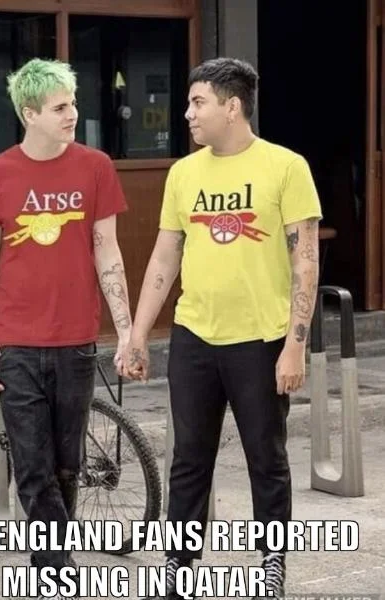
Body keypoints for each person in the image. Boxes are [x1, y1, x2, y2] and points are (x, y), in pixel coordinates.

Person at [122, 57, 322, 600]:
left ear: (232, 107)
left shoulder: (286, 167)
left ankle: (271, 563)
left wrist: (295, 345)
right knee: (188, 459)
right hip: (194, 337)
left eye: (198, 103)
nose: (188, 113)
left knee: (266, 458)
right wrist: (138, 333)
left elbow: (305, 261)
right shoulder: (183, 174)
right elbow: (165, 255)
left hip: (260, 340)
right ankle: (179, 567)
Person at [0, 58, 131, 599]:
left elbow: (108, 251)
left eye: (73, 103)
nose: (72, 114)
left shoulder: (96, 167)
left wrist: (126, 331)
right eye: (60, 107)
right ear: (29, 113)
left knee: (66, 466)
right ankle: (58, 573)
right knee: (34, 468)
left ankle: (51, 567)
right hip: (16, 344)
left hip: (76, 341)